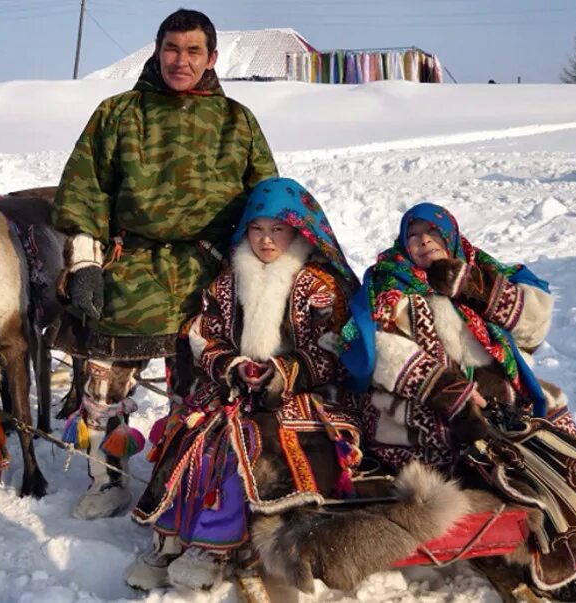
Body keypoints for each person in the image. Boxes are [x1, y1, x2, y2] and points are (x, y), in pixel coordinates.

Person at [341, 202, 576, 602]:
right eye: (413, 235)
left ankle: (568, 550)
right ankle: (535, 551)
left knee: (555, 450)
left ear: (450, 236)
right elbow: (379, 350)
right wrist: (449, 390)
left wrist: (471, 285)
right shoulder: (388, 283)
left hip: (498, 393)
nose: (423, 241)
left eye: (431, 233)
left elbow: (534, 324)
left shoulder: (479, 267)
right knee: (501, 459)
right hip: (423, 399)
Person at [53, 8, 277, 520]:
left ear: (212, 58)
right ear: (157, 51)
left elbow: (265, 202)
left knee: (201, 394)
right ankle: (105, 481)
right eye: (172, 49)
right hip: (129, 270)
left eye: (194, 51)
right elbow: (85, 190)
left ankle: (185, 482)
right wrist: (85, 262)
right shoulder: (118, 113)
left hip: (211, 275)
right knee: (103, 389)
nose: (181, 60)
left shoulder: (237, 121)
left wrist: (260, 273)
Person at [124, 178, 363, 591]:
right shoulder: (228, 281)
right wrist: (232, 366)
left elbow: (334, 352)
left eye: (277, 230)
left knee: (250, 443)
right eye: (257, 230)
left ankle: (212, 546)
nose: (266, 241)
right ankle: (170, 539)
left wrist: (282, 373)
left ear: (298, 232)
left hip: (302, 394)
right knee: (196, 436)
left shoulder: (317, 286)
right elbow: (205, 336)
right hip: (235, 387)